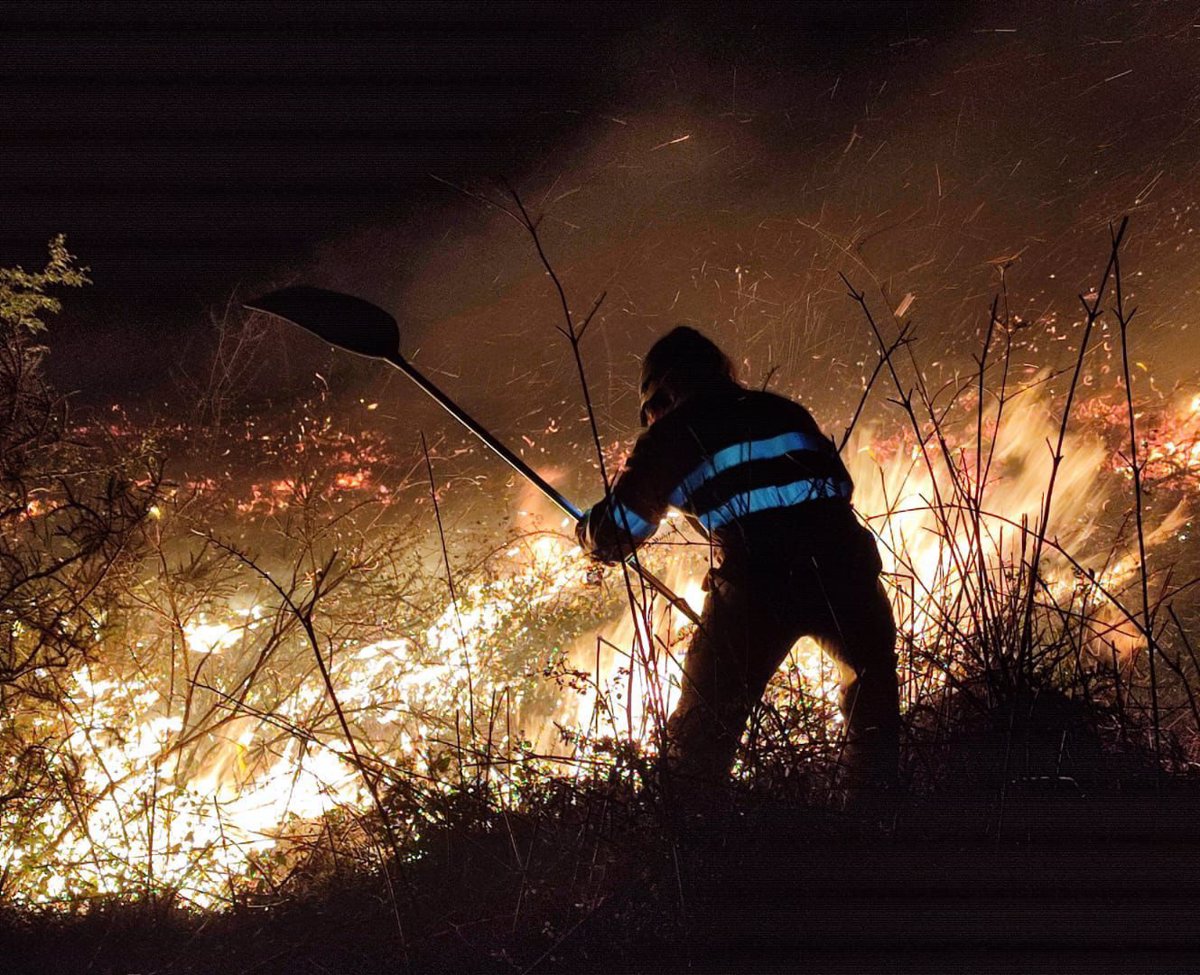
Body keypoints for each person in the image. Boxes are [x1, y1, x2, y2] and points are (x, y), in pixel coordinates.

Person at [576, 326, 899, 801]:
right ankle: (875, 826)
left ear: (664, 391)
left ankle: (691, 846)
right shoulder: (781, 408)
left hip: (761, 584)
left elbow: (616, 533)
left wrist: (586, 531)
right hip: (847, 569)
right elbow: (837, 486)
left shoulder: (675, 432)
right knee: (873, 712)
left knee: (701, 735)